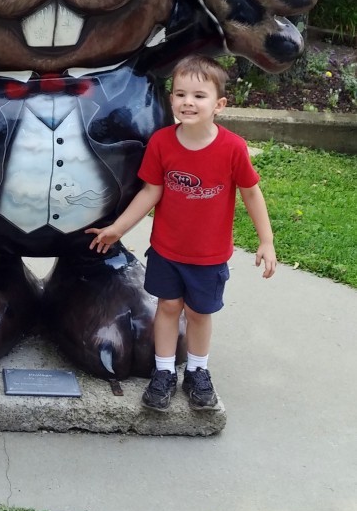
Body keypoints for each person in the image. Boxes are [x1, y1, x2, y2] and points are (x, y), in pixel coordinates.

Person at [86, 54, 276, 412]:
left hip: (208, 255)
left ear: (219, 104)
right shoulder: (161, 143)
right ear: (171, 99)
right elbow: (150, 192)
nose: (188, 102)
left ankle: (198, 371)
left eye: (199, 96)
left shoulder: (232, 148)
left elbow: (251, 193)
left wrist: (266, 241)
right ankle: (163, 372)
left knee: (201, 314)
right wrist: (117, 228)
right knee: (168, 307)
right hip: (167, 251)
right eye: (180, 93)